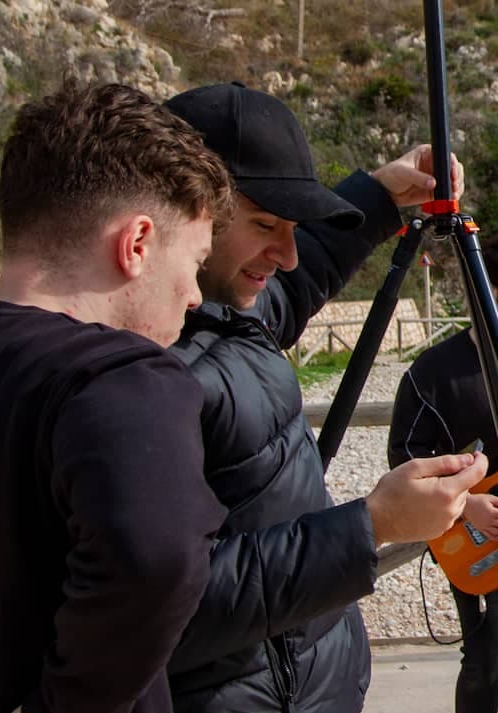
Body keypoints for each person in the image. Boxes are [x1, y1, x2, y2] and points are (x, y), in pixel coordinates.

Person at [0, 80, 235, 713]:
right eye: (194, 262)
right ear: (136, 244)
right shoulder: (118, 378)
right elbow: (156, 559)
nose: (195, 296)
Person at [162, 80, 488, 713]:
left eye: (291, 226)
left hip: (317, 684)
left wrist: (382, 195)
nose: (285, 255)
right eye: (265, 224)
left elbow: (299, 267)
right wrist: (372, 526)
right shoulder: (131, 376)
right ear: (188, 213)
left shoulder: (229, 309)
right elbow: (164, 601)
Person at [389, 238, 498, 713]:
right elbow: (405, 457)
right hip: (474, 540)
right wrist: (468, 504)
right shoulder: (431, 372)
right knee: (484, 658)